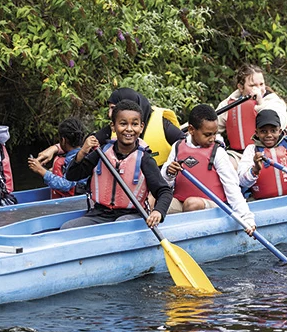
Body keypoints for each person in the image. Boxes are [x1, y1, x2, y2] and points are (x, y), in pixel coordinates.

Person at [61, 99, 173, 229]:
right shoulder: (101, 153)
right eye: (123, 124)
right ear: (113, 126)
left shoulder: (145, 159)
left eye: (134, 124)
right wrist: (82, 153)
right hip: (99, 214)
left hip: (132, 215)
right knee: (66, 228)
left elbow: (164, 191)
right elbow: (71, 176)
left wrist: (158, 211)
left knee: (120, 224)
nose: (129, 129)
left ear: (141, 127)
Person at [161, 104, 255, 234]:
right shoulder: (177, 147)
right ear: (191, 130)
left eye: (214, 134)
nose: (212, 138)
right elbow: (165, 182)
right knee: (157, 202)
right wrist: (169, 173)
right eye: (207, 134)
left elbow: (232, 188)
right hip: (181, 202)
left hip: (213, 205)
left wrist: (247, 219)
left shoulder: (218, 152)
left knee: (191, 204)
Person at [34, 88, 181, 166]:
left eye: (114, 108)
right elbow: (86, 144)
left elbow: (189, 146)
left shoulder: (163, 125)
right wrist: (55, 148)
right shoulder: (112, 129)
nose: (110, 114)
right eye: (110, 109)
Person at [216, 64, 287, 153]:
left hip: (268, 152)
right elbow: (212, 127)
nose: (259, 89)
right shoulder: (228, 103)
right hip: (237, 154)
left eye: (261, 84)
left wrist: (260, 102)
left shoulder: (273, 101)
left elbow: (281, 123)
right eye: (252, 85)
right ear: (241, 87)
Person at [28, 118, 88, 198]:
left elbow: (66, 185)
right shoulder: (84, 154)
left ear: (63, 140)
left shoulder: (74, 159)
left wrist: (41, 170)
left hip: (73, 202)